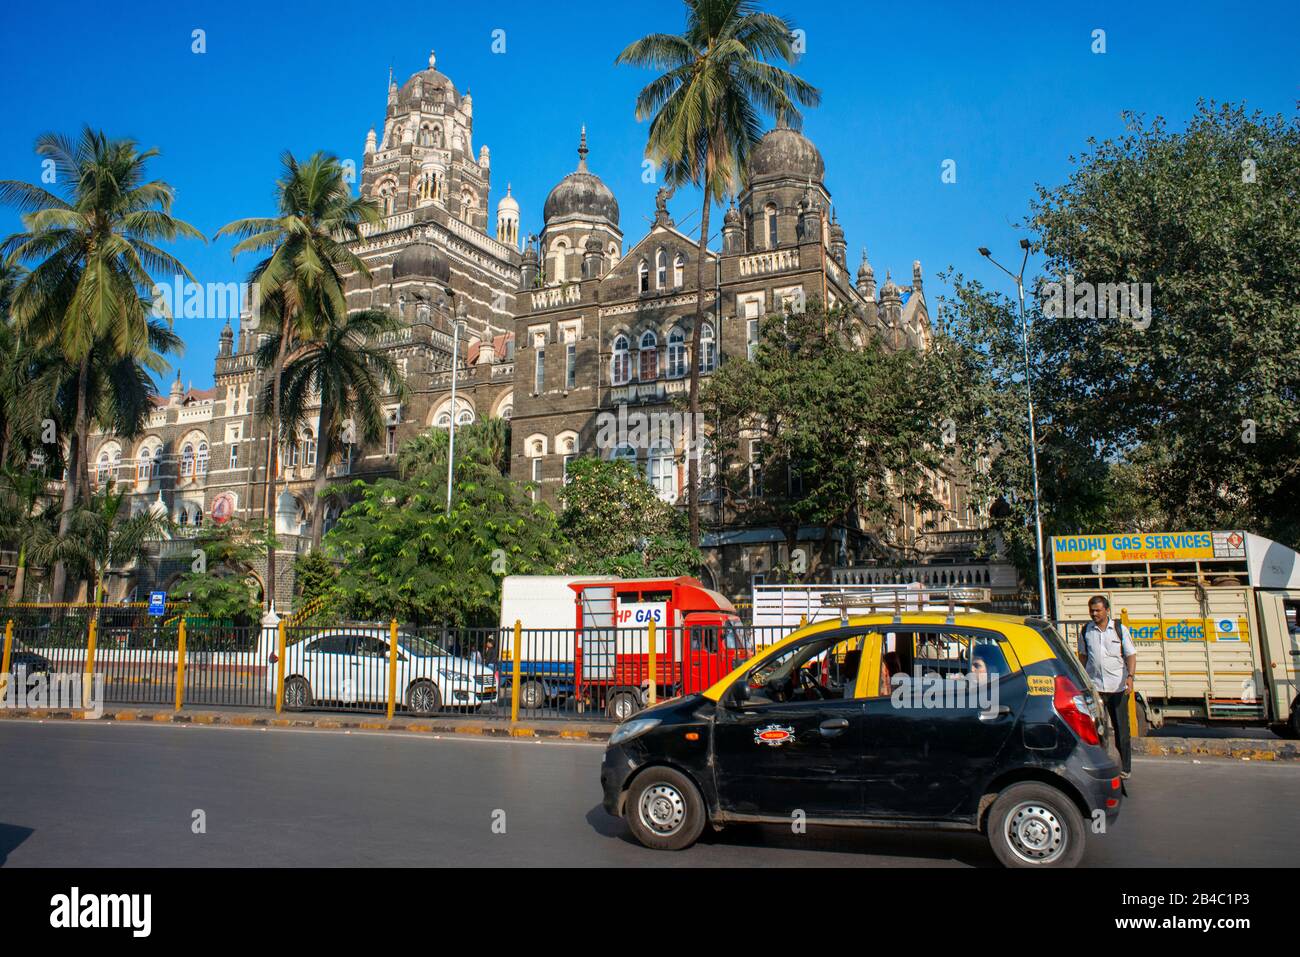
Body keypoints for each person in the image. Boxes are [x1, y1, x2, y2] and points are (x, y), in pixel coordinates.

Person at [1078, 595, 1137, 778]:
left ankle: (1125, 769)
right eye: (1092, 610)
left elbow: (1130, 655)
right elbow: (1083, 656)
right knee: (1097, 729)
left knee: (1121, 730)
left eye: (1097, 610)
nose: (1094, 614)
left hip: (1117, 687)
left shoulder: (1119, 630)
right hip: (1096, 689)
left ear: (1107, 610)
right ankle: (1101, 765)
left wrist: (1130, 677)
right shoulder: (1086, 631)